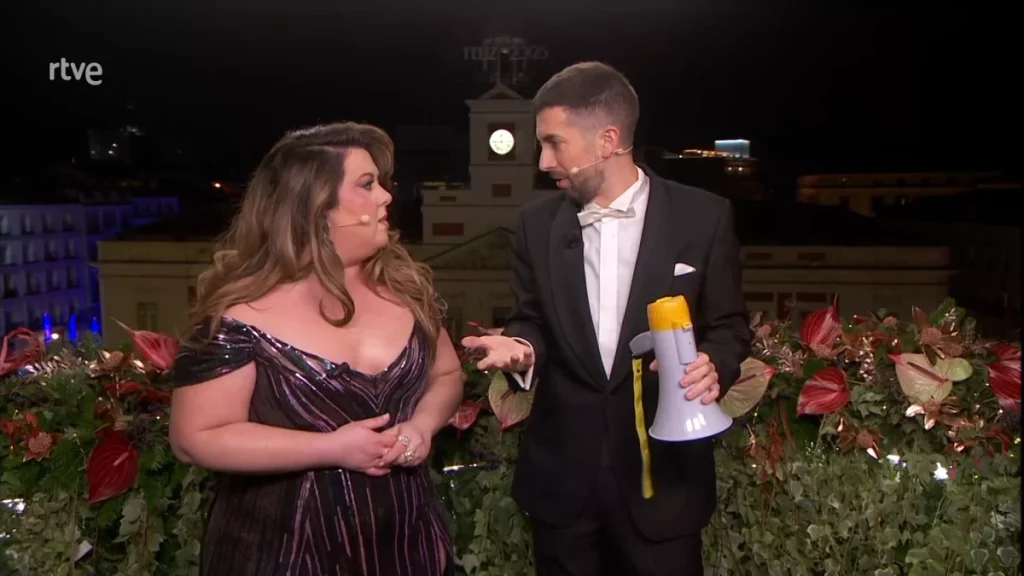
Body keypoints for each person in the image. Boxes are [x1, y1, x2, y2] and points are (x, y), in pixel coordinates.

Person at [462, 62, 752, 575]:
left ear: (608, 140)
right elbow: (531, 320)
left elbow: (729, 326)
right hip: (562, 488)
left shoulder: (703, 216)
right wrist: (521, 349)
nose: (544, 161)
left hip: (664, 484)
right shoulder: (535, 225)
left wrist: (715, 363)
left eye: (555, 143)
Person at [168, 122, 463, 576]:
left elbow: (447, 375)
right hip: (281, 554)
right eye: (367, 184)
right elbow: (195, 438)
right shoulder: (239, 317)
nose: (386, 196)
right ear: (314, 205)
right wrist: (331, 449)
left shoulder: (408, 291)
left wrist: (423, 425)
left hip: (410, 547)